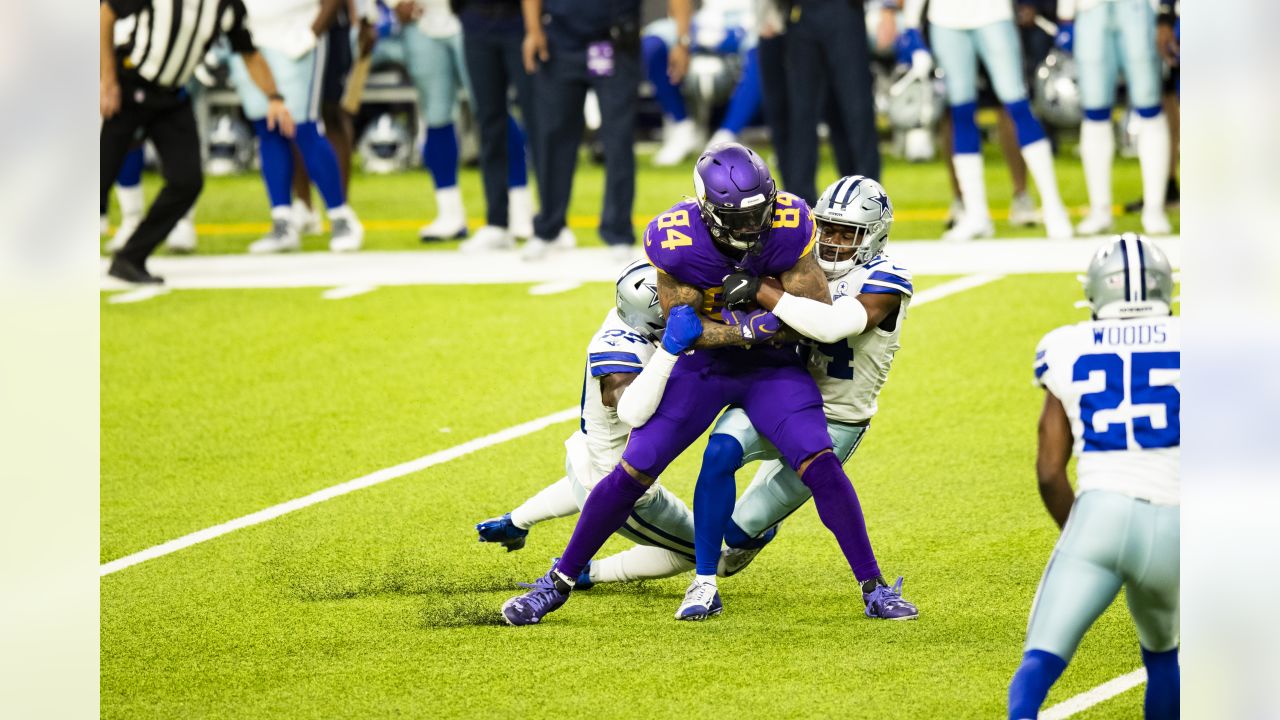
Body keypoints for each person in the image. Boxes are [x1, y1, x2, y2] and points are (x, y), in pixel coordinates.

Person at [500, 143, 906, 626]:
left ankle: (874, 587)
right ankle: (558, 581)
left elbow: (811, 320)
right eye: (739, 219)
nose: (754, 228)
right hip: (709, 365)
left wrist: (761, 303)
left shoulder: (792, 219)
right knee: (636, 467)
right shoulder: (676, 240)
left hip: (771, 367)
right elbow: (686, 329)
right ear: (708, 212)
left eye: (761, 212)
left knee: (818, 460)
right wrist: (747, 329)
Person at [679, 174, 917, 621]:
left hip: (837, 417)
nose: (833, 240)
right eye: (827, 227)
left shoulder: (887, 278)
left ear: (874, 235)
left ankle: (874, 588)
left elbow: (830, 325)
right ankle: (679, 581)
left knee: (734, 542)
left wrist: (763, 289)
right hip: (781, 392)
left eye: (847, 233)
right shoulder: (800, 262)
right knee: (719, 452)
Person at [1008, 233, 1179, 719]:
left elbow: (1048, 470)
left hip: (1100, 511)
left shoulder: (1066, 344)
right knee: (1164, 655)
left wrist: (1084, 538)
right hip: (1176, 520)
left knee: (1039, 664)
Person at [475, 261, 706, 584]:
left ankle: (515, 520)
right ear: (653, 309)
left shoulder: (630, 317)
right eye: (674, 300)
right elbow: (632, 410)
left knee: (587, 481)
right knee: (710, 555)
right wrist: (671, 350)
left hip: (586, 456)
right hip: (623, 486)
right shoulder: (620, 352)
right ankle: (590, 572)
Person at [101, 0, 295, 284]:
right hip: (131, 85)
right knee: (99, 175)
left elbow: (249, 53)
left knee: (187, 181)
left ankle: (130, 257)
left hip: (171, 97)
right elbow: (106, 13)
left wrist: (274, 97)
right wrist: (107, 79)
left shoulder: (227, 6)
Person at [519, 0, 692, 262]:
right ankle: (548, 229)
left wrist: (682, 39)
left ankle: (618, 231)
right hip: (560, 39)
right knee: (553, 137)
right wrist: (533, 30)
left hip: (615, 41)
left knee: (618, 138)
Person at [899, 0, 1072, 241]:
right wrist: (911, 23)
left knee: (1017, 104)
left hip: (992, 14)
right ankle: (976, 213)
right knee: (960, 111)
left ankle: (1053, 206)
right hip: (945, 18)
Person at [227, 0, 365, 254]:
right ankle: (282, 220)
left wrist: (312, 33)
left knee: (304, 127)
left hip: (295, 33)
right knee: (267, 127)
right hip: (248, 34)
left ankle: (340, 216)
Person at [1057, 0, 1172, 236]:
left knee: (1149, 105)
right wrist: (1066, 14)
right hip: (1090, 8)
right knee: (1094, 110)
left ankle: (1154, 208)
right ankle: (1100, 210)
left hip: (1138, 7)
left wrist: (1165, 11)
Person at [290, 0, 378, 235]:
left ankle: (341, 207)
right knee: (292, 114)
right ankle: (304, 205)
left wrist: (366, 17)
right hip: (286, 24)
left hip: (331, 22)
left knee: (334, 113)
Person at [456, 0, 538, 251]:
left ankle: (551, 222)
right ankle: (496, 223)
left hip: (520, 21)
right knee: (489, 123)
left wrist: (535, 28)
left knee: (538, 120)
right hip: (476, 21)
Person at [784, 0, 881, 205]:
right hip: (800, 11)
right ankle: (802, 202)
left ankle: (869, 198)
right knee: (802, 112)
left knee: (856, 106)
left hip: (843, 9)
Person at [392, 0, 474, 241]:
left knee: (492, 111)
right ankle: (449, 212)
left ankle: (516, 208)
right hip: (421, 19)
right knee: (435, 116)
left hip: (473, 16)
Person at [644, 0, 762, 166]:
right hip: (707, 20)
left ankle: (727, 135)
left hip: (754, 20)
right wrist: (683, 38)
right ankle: (682, 126)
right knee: (652, 42)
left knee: (762, 47)